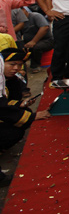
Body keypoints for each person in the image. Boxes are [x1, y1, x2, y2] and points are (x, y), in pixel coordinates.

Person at [0, 49, 50, 187]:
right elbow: (2, 108)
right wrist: (33, 116)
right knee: (16, 128)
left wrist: (20, 104)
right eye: (12, 64)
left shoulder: (12, 80)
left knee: (23, 113)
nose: (16, 68)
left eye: (19, 65)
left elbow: (7, 102)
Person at [19, 8, 54, 72]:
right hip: (29, 41)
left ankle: (35, 66)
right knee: (18, 46)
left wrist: (33, 41)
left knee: (36, 47)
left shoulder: (35, 16)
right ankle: (21, 66)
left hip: (46, 40)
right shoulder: (20, 21)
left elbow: (45, 27)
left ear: (24, 10)